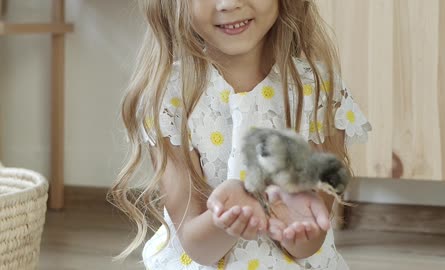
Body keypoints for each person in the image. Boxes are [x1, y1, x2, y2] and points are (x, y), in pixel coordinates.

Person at [109, 0, 371, 269]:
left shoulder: (317, 87)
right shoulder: (169, 97)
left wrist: (296, 220)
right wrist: (226, 218)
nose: (229, 3)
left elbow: (308, 246)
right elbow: (198, 247)